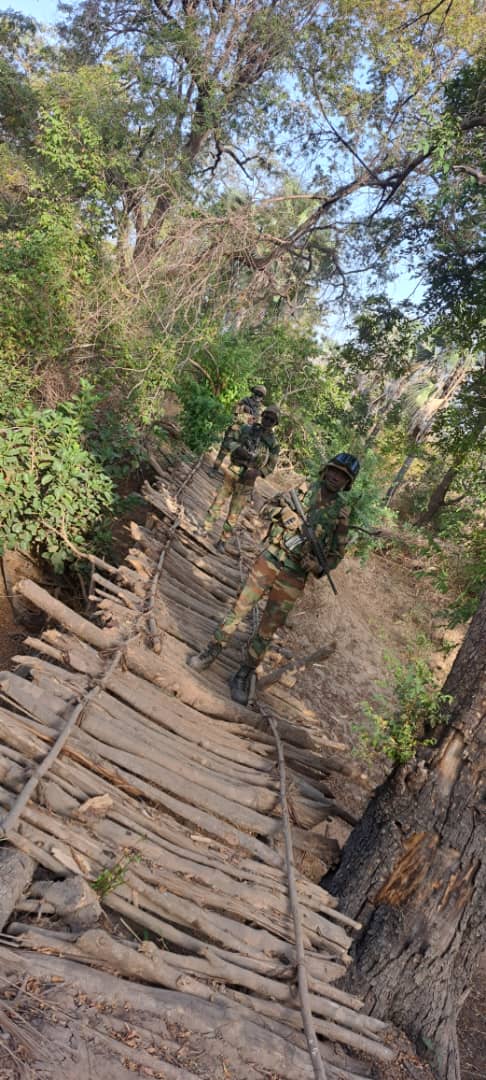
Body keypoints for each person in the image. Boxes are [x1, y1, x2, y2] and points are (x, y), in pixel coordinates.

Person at [188, 452, 360, 704]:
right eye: (334, 471)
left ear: (347, 483)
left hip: (294, 575)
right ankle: (211, 651)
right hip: (270, 559)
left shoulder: (341, 514)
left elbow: (335, 555)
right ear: (326, 470)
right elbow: (265, 508)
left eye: (343, 476)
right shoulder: (301, 490)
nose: (336, 477)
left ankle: (243, 673)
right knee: (239, 608)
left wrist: (316, 566)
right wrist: (283, 514)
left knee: (268, 627)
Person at [203, 406, 280, 553]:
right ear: (262, 416)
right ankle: (205, 528)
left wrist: (257, 472)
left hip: (248, 479)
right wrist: (238, 449)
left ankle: (223, 540)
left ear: (275, 423)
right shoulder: (247, 429)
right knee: (218, 501)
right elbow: (229, 441)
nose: (268, 421)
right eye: (266, 417)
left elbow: (270, 467)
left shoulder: (274, 445)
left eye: (272, 420)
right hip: (234, 470)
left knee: (235, 511)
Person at [213, 384, 267, 470]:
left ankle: (240, 475)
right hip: (237, 428)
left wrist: (254, 421)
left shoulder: (261, 409)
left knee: (248, 454)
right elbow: (234, 411)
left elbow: (260, 423)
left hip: (249, 434)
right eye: (257, 393)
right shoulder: (245, 400)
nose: (258, 396)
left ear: (262, 397)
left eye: (260, 394)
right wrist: (243, 408)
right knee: (225, 447)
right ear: (253, 392)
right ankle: (215, 468)